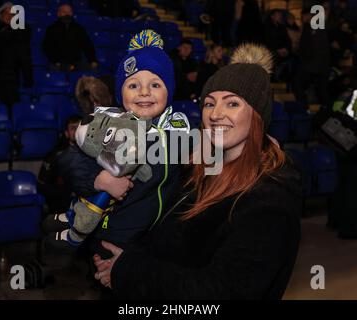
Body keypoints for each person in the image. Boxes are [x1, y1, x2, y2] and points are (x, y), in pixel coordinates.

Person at [93, 43, 302, 299]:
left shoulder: (269, 200)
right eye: (209, 103)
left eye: (232, 104)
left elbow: (219, 292)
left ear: (257, 116)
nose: (216, 114)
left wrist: (128, 269)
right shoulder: (197, 170)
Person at [44, 30, 190, 263]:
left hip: (158, 244)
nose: (144, 92)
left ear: (169, 90)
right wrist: (98, 180)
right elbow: (68, 159)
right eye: (133, 85)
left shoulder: (180, 128)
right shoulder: (111, 122)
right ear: (120, 92)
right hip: (113, 237)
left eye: (155, 84)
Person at [0, 2, 33, 107]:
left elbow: (24, 54)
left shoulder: (22, 29)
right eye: (6, 13)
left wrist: (27, 77)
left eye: (12, 14)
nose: (9, 16)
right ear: (1, 15)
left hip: (13, 74)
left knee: (12, 104)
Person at [38, 115, 83, 215]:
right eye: (73, 128)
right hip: (63, 205)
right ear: (66, 133)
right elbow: (43, 185)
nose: (77, 131)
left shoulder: (93, 153)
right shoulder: (55, 156)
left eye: (80, 127)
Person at [42, 4, 98, 72]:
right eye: (64, 12)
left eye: (69, 12)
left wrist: (93, 60)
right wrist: (56, 62)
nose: (67, 14)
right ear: (58, 14)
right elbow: (47, 47)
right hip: (58, 63)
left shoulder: (79, 29)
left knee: (92, 72)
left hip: (77, 63)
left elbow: (87, 45)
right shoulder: (51, 29)